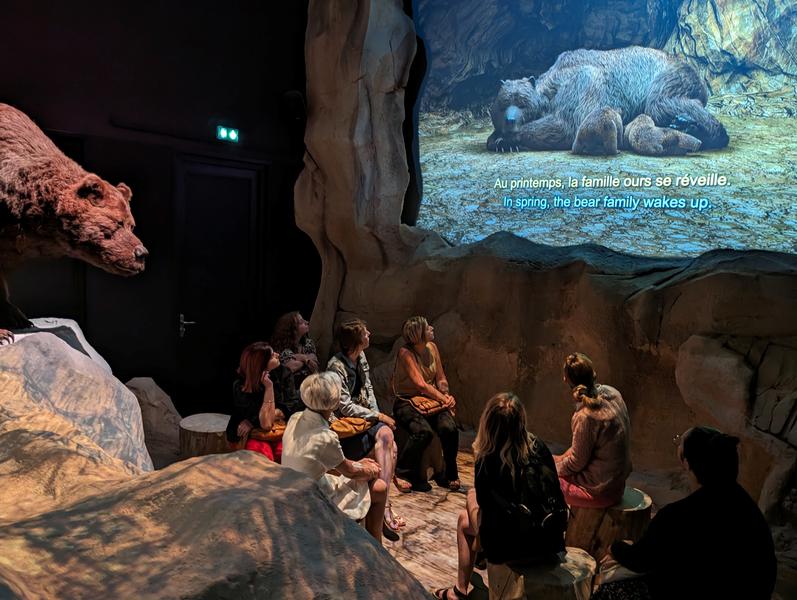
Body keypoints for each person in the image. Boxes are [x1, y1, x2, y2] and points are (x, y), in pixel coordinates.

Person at [593, 426, 777, 600]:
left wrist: (616, 547)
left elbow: (639, 560)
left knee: (609, 587)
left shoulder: (676, 516)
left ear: (686, 462)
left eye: (679, 442)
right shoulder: (748, 508)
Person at [435, 392, 566, 600]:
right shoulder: (538, 447)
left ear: (487, 422)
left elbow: (485, 510)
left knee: (465, 514)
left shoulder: (487, 460)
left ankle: (459, 590)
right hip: (548, 540)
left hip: (509, 547)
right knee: (476, 501)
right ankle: (477, 557)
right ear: (521, 421)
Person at [282, 372, 389, 543]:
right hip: (313, 502)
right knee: (380, 487)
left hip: (293, 492)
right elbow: (352, 472)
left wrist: (357, 465)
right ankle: (376, 545)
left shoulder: (295, 419)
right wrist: (370, 469)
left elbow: (328, 463)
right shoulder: (324, 437)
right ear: (333, 400)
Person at [327, 318, 405, 539]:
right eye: (365, 332)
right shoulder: (336, 366)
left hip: (365, 421)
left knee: (388, 436)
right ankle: (384, 507)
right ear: (355, 340)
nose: (369, 333)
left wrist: (377, 418)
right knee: (391, 447)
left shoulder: (360, 357)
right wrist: (377, 416)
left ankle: (385, 504)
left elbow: (369, 391)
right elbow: (344, 406)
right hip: (347, 426)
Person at [554, 352, 631, 508]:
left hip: (601, 492)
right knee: (553, 459)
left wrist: (553, 469)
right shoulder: (613, 393)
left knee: (541, 479)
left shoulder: (585, 416)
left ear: (565, 379)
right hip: (617, 483)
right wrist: (558, 460)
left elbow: (576, 463)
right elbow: (581, 449)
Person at [393, 316, 459, 492]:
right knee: (423, 432)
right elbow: (420, 385)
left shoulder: (432, 348)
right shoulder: (405, 353)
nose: (431, 328)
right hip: (406, 401)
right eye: (427, 327)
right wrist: (444, 400)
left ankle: (449, 472)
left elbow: (441, 377)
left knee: (450, 428)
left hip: (431, 400)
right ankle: (404, 472)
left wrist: (446, 395)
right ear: (419, 334)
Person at [225, 342, 285, 462]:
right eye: (272, 355)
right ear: (262, 363)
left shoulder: (278, 374)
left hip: (276, 431)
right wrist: (269, 389)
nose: (277, 355)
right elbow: (266, 422)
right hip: (254, 434)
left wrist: (275, 412)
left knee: (284, 452)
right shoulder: (240, 385)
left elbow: (286, 407)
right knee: (262, 456)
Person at [271, 311, 319, 387]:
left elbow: (314, 364)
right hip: (291, 389)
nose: (307, 322)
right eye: (301, 322)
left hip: (310, 386)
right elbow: (290, 368)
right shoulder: (283, 348)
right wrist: (305, 358)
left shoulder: (308, 343)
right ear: (293, 329)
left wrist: (299, 358)